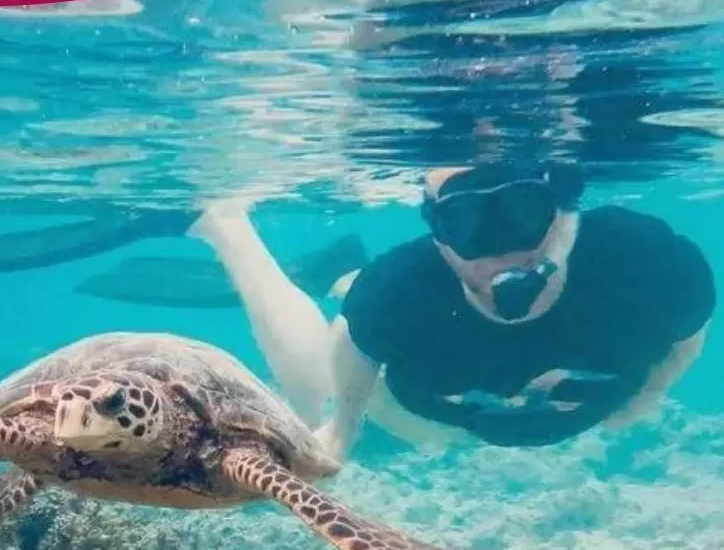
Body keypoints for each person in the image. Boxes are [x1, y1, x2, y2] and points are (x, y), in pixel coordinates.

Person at [189, 162, 715, 460]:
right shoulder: (397, 289)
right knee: (318, 392)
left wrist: (653, 392)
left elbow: (691, 326)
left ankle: (347, 276)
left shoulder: (645, 260)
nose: (500, 251)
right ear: (438, 237)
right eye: (467, 224)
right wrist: (344, 425)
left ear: (561, 212)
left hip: (471, 386)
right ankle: (228, 227)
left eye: (521, 213)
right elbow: (353, 342)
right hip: (421, 414)